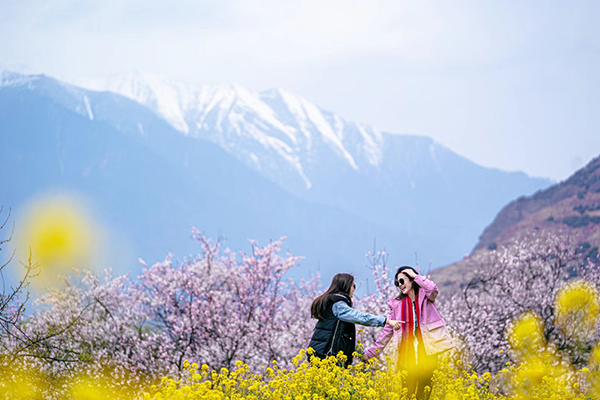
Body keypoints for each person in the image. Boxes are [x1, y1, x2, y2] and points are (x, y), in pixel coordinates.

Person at [362, 266, 454, 400]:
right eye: (397, 283)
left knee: (425, 391)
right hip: (407, 353)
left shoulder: (426, 297)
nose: (400, 285)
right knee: (407, 392)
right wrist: (371, 353)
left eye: (402, 281)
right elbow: (388, 331)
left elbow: (433, 289)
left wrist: (414, 275)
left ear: (412, 279)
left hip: (428, 351)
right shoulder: (396, 304)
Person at [308, 273, 402, 367]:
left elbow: (344, 338)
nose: (354, 289)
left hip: (323, 355)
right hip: (327, 356)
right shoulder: (338, 305)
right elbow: (360, 317)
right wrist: (386, 321)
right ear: (346, 285)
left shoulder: (334, 304)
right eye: (353, 286)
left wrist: (362, 355)